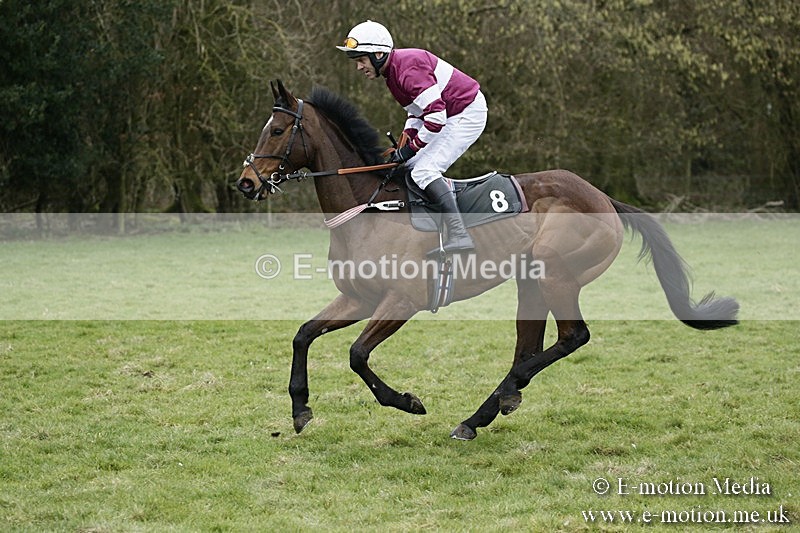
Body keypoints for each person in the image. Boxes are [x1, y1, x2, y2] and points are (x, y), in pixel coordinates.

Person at [336, 20, 487, 254]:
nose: (359, 67)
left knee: (424, 171)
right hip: (449, 114)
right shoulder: (393, 74)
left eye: (361, 60)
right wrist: (407, 137)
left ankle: (459, 234)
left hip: (466, 112)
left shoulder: (407, 69)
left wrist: (412, 147)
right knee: (408, 167)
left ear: (378, 54)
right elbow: (417, 112)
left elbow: (436, 116)